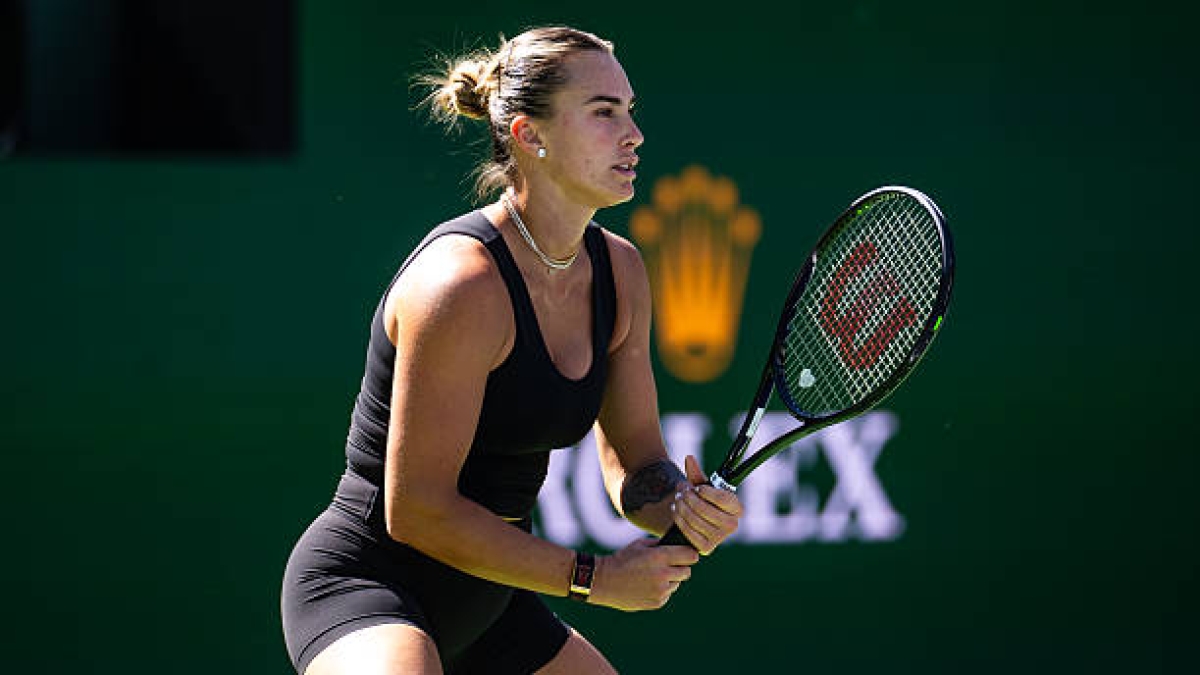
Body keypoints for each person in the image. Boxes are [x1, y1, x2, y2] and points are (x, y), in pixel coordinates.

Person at [280, 25, 743, 675]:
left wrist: (680, 505)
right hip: (370, 589)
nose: (633, 134)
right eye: (604, 112)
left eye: (631, 111)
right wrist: (595, 578)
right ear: (531, 136)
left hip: (492, 601)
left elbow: (637, 462)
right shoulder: (462, 284)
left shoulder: (622, 271)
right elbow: (416, 511)